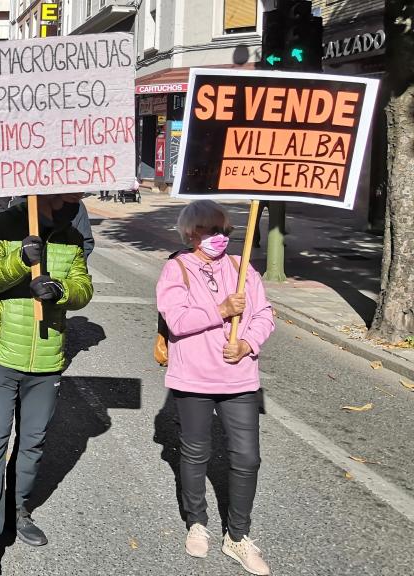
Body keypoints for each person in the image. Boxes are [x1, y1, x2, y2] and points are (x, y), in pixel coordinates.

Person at [0, 194, 94, 572]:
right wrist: (20, 260)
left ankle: (18, 509)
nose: (71, 200)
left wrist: (62, 291)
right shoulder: (0, 225)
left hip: (48, 358)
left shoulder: (71, 235)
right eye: (64, 194)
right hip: (0, 355)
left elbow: (83, 287)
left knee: (33, 442)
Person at [156, 200, 275, 576]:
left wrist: (248, 343)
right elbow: (176, 320)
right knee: (195, 452)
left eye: (224, 231)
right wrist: (221, 310)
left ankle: (238, 536)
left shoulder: (242, 269)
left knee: (246, 457)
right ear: (191, 233)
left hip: (239, 377)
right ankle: (197, 521)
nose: (220, 238)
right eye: (211, 230)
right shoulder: (177, 269)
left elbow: (264, 314)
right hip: (192, 377)